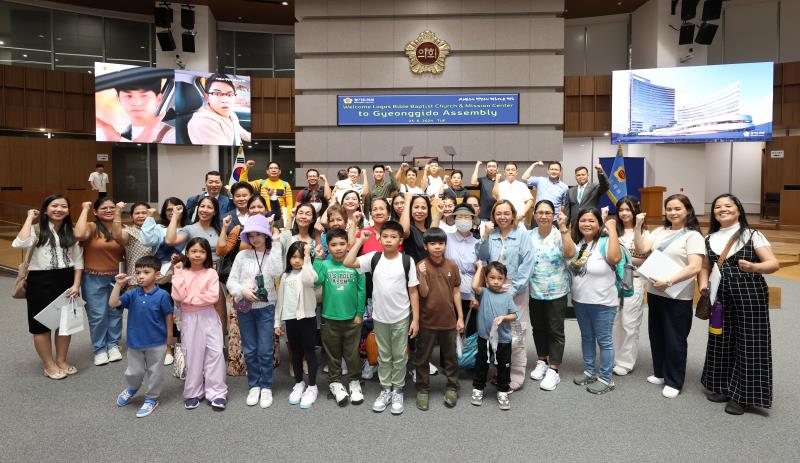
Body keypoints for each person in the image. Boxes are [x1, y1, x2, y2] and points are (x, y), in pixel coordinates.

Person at [698, 194, 778, 415]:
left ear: (739, 210)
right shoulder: (710, 238)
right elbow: (705, 266)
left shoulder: (753, 234)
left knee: (749, 342)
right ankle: (723, 386)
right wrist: (703, 284)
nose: (722, 209)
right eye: (718, 207)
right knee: (721, 338)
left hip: (750, 294)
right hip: (720, 294)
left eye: (728, 206)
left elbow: (773, 264)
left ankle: (743, 395)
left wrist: (753, 267)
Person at [344, 221, 420, 416]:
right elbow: (348, 262)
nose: (388, 240)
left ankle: (398, 390)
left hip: (401, 317)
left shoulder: (407, 261)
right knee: (384, 355)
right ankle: (386, 389)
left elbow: (413, 291)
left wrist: (416, 319)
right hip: (380, 317)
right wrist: (360, 241)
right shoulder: (374, 258)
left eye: (393, 237)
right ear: (379, 237)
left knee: (400, 355)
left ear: (400, 240)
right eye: (385, 236)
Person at [634, 194, 705, 399]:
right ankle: (660, 373)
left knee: (675, 338)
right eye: (669, 209)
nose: (673, 213)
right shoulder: (660, 231)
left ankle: (674, 381)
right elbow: (641, 249)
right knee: (656, 334)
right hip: (656, 291)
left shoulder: (693, 236)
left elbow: (695, 266)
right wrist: (638, 226)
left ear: (688, 211)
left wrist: (670, 281)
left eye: (678, 209)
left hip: (678, 294)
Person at [12, 195, 83, 380]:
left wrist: (76, 284)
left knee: (65, 324)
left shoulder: (70, 230)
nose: (59, 209)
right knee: (41, 326)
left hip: (67, 279)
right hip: (40, 280)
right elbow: (20, 243)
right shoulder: (36, 229)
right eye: (54, 206)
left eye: (64, 206)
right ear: (45, 209)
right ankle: (48, 364)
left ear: (68, 210)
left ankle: (61, 360)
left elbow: (78, 260)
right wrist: (29, 217)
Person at [226, 214, 284, 409]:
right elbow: (231, 281)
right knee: (250, 349)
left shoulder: (272, 251)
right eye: (251, 235)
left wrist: (275, 244)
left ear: (266, 235)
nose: (256, 238)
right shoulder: (242, 256)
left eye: (260, 234)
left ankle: (266, 386)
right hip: (245, 309)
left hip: (266, 308)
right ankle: (254, 385)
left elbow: (277, 271)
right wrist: (242, 290)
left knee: (266, 350)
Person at [561, 207, 621, 394]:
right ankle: (589, 371)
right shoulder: (577, 243)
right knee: (587, 337)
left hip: (603, 302)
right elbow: (568, 257)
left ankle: (606, 379)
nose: (587, 224)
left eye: (591, 220)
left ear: (599, 223)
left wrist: (611, 229)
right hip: (580, 300)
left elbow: (615, 257)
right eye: (583, 220)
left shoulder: (604, 242)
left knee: (604, 341)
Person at [477, 200, 534, 391]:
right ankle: (500, 372)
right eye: (498, 213)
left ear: (513, 214)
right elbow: (481, 255)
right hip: (493, 290)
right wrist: (484, 236)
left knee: (516, 333)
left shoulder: (522, 235)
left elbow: (527, 264)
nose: (502, 217)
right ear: (493, 216)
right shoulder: (491, 235)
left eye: (506, 213)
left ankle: (515, 376)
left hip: (514, 291)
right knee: (495, 331)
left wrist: (512, 289)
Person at [109, 256, 174, 418]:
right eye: (138, 273)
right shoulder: (132, 294)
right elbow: (113, 303)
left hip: (157, 343)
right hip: (135, 342)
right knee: (133, 372)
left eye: (146, 272)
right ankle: (132, 388)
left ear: (157, 275)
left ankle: (152, 398)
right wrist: (118, 284)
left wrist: (169, 342)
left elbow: (169, 318)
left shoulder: (163, 295)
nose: (141, 276)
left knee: (155, 373)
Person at [172, 237, 228, 410]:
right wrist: (179, 274)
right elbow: (178, 297)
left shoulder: (211, 273)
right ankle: (193, 392)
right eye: (194, 251)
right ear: (187, 253)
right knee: (193, 355)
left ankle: (217, 392)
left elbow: (213, 297)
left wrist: (189, 299)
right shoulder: (181, 272)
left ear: (207, 254)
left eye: (202, 251)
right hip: (189, 319)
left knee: (216, 352)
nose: (197, 255)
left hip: (209, 316)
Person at [315, 228, 366, 406]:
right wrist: (318, 260)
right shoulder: (325, 265)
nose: (338, 248)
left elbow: (362, 291)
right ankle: (335, 382)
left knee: (352, 354)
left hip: (352, 319)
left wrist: (359, 313)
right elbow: (315, 281)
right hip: (330, 318)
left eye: (342, 244)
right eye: (333, 245)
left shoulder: (356, 264)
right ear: (328, 247)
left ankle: (354, 381)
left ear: (348, 245)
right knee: (332, 353)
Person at [414, 228, 463, 411]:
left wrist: (460, 317)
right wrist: (422, 275)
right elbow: (424, 293)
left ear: (445, 245)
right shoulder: (421, 265)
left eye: (440, 243)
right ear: (426, 246)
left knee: (450, 358)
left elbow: (456, 292)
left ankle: (452, 387)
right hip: (427, 321)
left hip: (449, 321)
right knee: (423, 358)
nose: (437, 247)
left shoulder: (452, 266)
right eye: (433, 244)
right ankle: (422, 389)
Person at [74, 197, 125, 366]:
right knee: (98, 315)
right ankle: (100, 349)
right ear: (96, 211)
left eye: (112, 207)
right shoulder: (91, 226)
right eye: (104, 208)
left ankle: (113, 345)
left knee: (115, 312)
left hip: (116, 277)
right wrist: (84, 208)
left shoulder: (121, 228)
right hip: (93, 277)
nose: (109, 210)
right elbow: (79, 235)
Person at [165, 197, 227, 333]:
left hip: (216, 275)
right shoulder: (189, 229)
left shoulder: (220, 229)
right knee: (195, 313)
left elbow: (222, 250)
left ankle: (218, 348)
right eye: (202, 206)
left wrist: (224, 229)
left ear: (215, 211)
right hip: (195, 275)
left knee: (219, 316)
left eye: (209, 207)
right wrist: (175, 216)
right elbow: (170, 240)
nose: (205, 210)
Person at [527, 200, 570, 391]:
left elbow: (570, 254)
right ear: (534, 215)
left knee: (555, 331)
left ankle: (554, 369)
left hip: (557, 292)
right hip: (534, 291)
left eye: (547, 213)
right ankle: (542, 360)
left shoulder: (560, 234)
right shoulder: (528, 236)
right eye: (540, 212)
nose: (543, 216)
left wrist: (564, 228)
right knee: (538, 328)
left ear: (553, 216)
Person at [140, 197, 187, 365]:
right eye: (169, 209)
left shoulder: (189, 229)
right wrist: (149, 217)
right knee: (165, 314)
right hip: (163, 278)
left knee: (184, 313)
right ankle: (168, 348)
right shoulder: (159, 229)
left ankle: (184, 346)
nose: (172, 212)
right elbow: (146, 240)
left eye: (176, 208)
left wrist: (182, 258)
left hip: (186, 278)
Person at [275, 242, 320, 409]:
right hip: (290, 318)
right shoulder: (285, 276)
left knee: (309, 352)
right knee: (295, 353)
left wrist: (308, 258)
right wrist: (277, 322)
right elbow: (280, 300)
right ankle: (299, 383)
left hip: (306, 318)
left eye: (300, 257)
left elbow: (310, 280)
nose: (296, 260)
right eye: (293, 257)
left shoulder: (307, 271)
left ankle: (313, 386)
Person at [470, 261, 519, 411]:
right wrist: (479, 268)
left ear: (504, 279)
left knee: (504, 366)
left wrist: (504, 318)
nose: (496, 281)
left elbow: (514, 315)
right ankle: (478, 389)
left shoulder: (507, 296)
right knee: (481, 363)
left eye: (500, 278)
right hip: (484, 338)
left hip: (503, 340)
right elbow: (474, 286)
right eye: (492, 278)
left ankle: (503, 391)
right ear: (486, 279)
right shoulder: (484, 292)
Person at [612, 196, 648, 376]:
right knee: (614, 322)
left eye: (628, 209)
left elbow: (644, 256)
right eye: (621, 210)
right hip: (612, 282)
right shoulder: (613, 232)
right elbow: (608, 255)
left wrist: (621, 256)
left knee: (629, 323)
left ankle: (626, 361)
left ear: (636, 211)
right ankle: (614, 357)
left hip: (634, 281)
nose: (624, 213)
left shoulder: (644, 233)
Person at [95, 78, 175, 143]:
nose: (137, 103)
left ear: (159, 99)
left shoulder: (172, 134)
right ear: (118, 98)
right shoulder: (105, 133)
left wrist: (119, 140)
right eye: (129, 96)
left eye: (144, 95)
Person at [444, 203, 480, 337]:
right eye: (460, 217)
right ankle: (448, 358)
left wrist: (476, 295)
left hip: (471, 291)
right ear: (454, 219)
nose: (463, 220)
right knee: (449, 330)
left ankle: (469, 358)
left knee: (471, 329)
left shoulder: (478, 243)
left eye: (467, 217)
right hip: (449, 291)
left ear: (472, 220)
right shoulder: (446, 238)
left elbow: (481, 270)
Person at [187, 73, 251, 145]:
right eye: (217, 94)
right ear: (207, 97)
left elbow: (243, 134)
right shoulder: (201, 123)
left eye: (230, 94)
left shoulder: (231, 114)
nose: (225, 100)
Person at [111, 202, 156, 289]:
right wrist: (117, 212)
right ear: (131, 217)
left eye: (144, 213)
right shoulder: (129, 231)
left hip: (157, 280)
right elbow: (116, 235)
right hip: (136, 281)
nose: (141, 216)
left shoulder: (157, 230)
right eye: (137, 213)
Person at [241, 160, 293, 228]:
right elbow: (243, 184)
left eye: (276, 168)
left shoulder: (285, 184)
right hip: (263, 216)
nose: (273, 170)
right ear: (267, 171)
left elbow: (289, 204)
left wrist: (288, 218)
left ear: (280, 171)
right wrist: (246, 168)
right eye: (271, 168)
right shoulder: (261, 183)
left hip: (281, 218)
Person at [492, 162, 533, 229]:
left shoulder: (522, 185)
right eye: (508, 170)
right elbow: (494, 195)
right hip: (503, 221)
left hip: (519, 221)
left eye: (513, 170)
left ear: (516, 172)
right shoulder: (499, 185)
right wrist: (497, 180)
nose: (510, 172)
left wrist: (522, 213)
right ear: (504, 172)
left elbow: (530, 201)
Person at [399, 192, 432, 264]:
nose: (419, 211)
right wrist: (407, 201)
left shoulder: (429, 229)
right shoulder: (409, 229)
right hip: (413, 272)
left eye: (423, 208)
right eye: (416, 207)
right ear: (410, 209)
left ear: (428, 210)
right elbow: (403, 231)